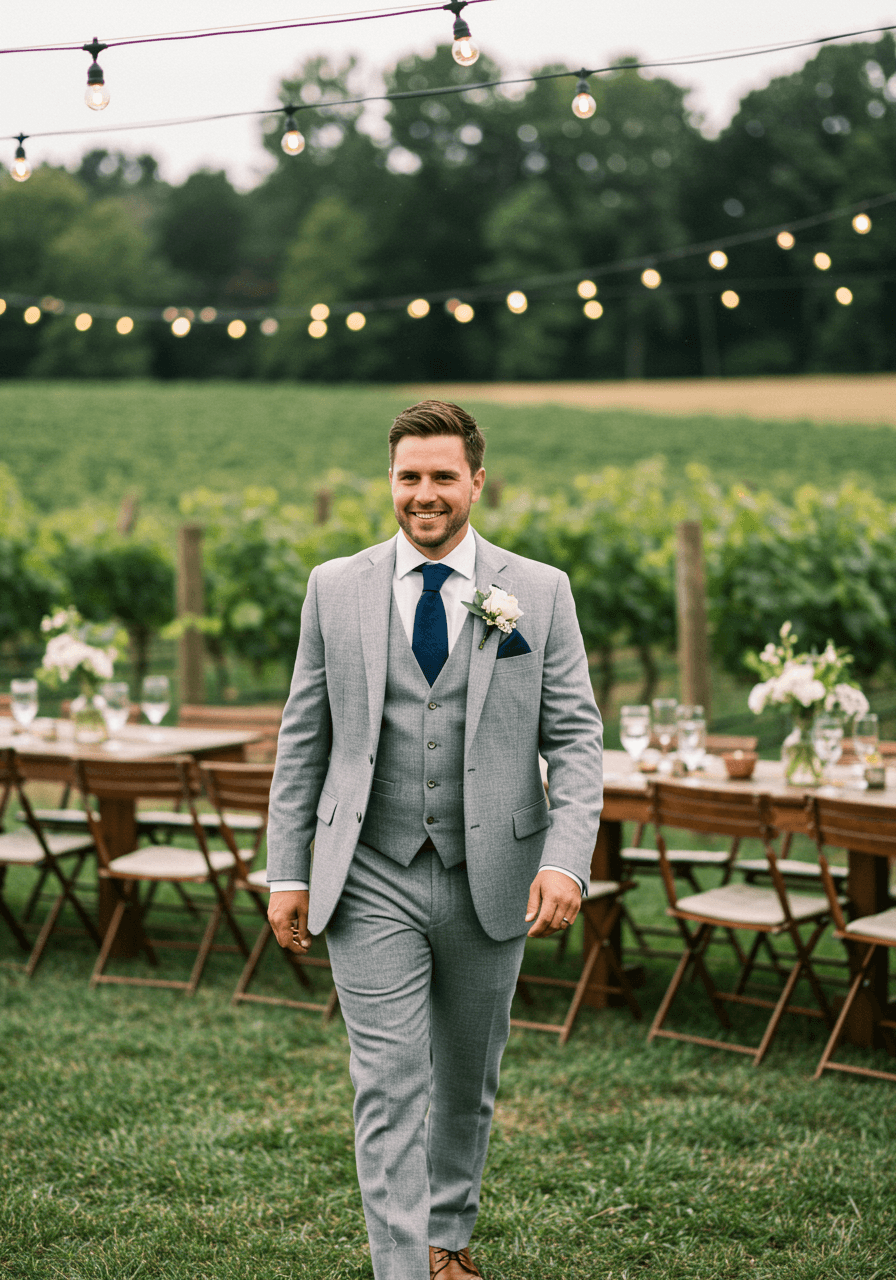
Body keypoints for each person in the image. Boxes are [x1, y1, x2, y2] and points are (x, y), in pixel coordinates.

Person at [266, 400, 603, 1280]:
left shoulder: (541, 590)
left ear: (477, 481)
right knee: (387, 1085)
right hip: (367, 871)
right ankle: (402, 1269)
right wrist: (285, 871)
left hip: (493, 871)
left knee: (464, 1081)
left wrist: (567, 857)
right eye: (409, 476)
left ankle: (447, 1238)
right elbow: (303, 739)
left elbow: (575, 740)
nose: (425, 494)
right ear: (390, 481)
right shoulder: (332, 587)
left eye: (443, 476)